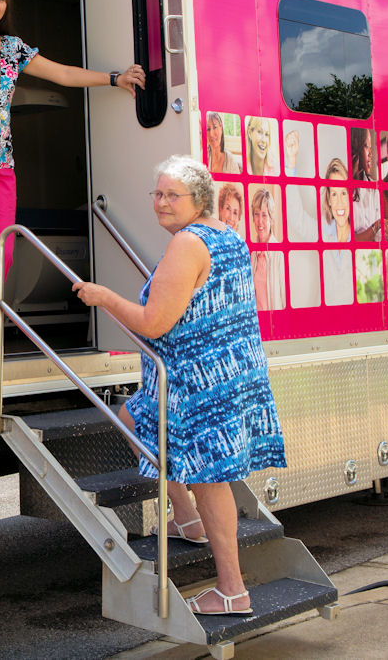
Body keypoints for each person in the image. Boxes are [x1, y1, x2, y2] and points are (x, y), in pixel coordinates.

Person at [70, 155, 285, 617]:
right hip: (230, 372)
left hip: (200, 383)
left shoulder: (188, 244)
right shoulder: (226, 235)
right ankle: (186, 520)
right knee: (133, 417)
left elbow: (153, 323)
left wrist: (104, 297)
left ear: (199, 200)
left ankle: (231, 590)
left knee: (211, 480)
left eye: (173, 196)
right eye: (158, 195)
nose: (162, 204)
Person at [0, 0, 143, 348]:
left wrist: (113, 78)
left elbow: (62, 74)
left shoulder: (12, 48)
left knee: (2, 255)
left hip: (0, 169)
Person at [249, 186, 284, 310]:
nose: (260, 221)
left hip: (276, 326)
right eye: (256, 214)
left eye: (264, 215)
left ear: (271, 219)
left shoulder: (280, 255)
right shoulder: (251, 254)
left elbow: (285, 301)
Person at [350, 128, 388, 242]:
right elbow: (349, 239)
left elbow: (378, 235)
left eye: (371, 148)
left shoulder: (374, 189)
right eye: (367, 147)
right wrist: (376, 226)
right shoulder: (343, 189)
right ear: (356, 146)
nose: (371, 154)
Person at [321, 158, 351, 242]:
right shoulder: (323, 233)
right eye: (334, 194)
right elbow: (299, 220)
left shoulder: (359, 236)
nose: (339, 202)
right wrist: (291, 161)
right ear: (329, 199)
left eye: (343, 193)